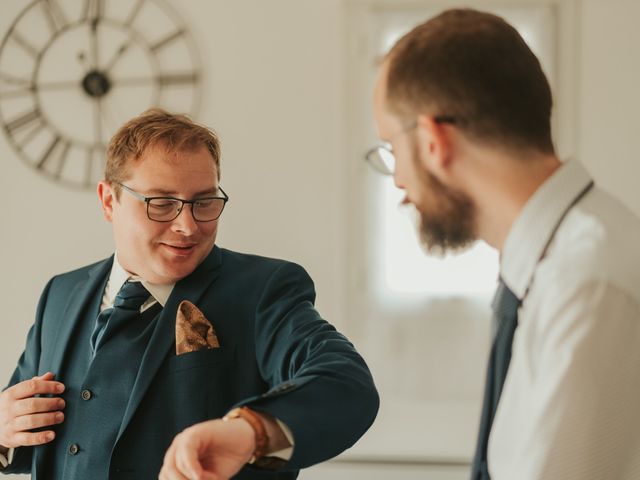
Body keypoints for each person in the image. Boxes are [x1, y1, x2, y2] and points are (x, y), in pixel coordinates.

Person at [0, 108, 379, 479]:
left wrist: (250, 433)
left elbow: (346, 386)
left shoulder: (263, 290)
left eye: (203, 202)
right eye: (162, 203)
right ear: (108, 201)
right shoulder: (60, 295)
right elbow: (28, 433)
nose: (187, 225)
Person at [367, 8, 640, 480]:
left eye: (392, 148)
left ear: (434, 140)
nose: (397, 182)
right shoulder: (550, 268)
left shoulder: (587, 282)